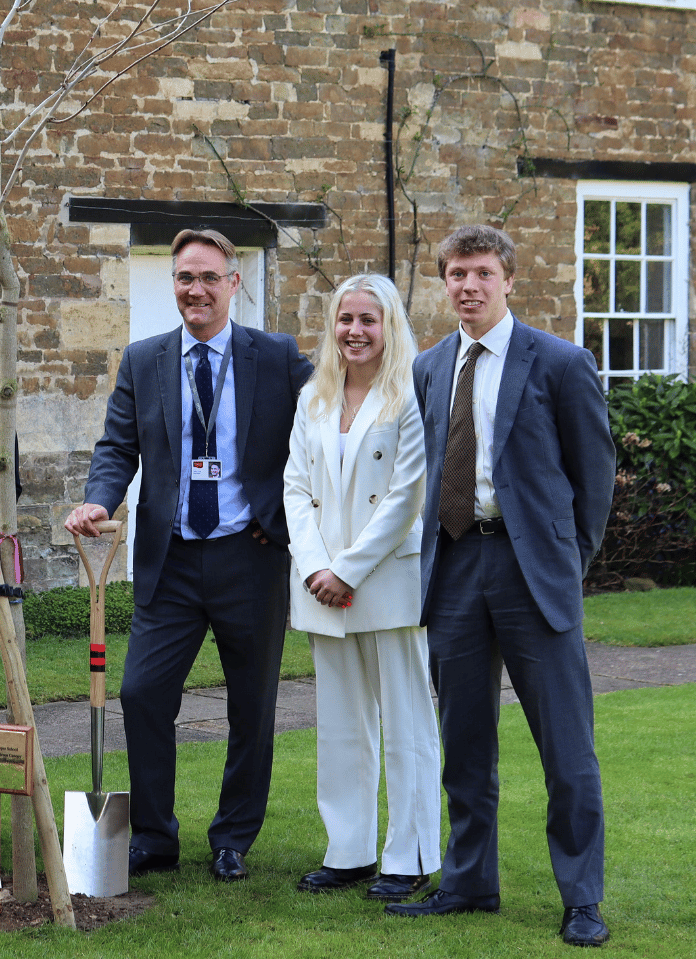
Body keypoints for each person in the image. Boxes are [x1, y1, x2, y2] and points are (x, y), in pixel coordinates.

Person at [384, 226, 616, 948]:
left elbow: (595, 474)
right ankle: (468, 882)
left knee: (566, 748)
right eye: (456, 273)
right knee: (464, 741)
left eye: (482, 272)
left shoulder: (560, 361)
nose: (468, 286)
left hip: (532, 573)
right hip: (453, 566)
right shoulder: (429, 365)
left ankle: (581, 898)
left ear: (509, 280)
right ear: (444, 282)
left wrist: (568, 560)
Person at [65, 228, 312, 882]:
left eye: (209, 277)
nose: (196, 290)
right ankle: (154, 834)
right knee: (142, 692)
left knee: (251, 706)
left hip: (249, 556)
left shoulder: (278, 356)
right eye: (184, 278)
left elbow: (323, 433)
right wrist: (100, 500)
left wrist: (285, 520)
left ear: (234, 283)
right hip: (170, 559)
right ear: (172, 285)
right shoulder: (144, 360)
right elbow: (118, 447)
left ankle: (232, 835)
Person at [283, 274, 441, 902]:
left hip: (387, 579)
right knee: (342, 725)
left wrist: (345, 570)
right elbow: (295, 487)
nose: (354, 331)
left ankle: (412, 854)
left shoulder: (409, 395)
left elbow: (406, 497)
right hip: (322, 584)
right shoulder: (314, 397)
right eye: (344, 319)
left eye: (367, 320)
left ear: (390, 326)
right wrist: (316, 567)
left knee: (407, 723)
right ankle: (348, 850)